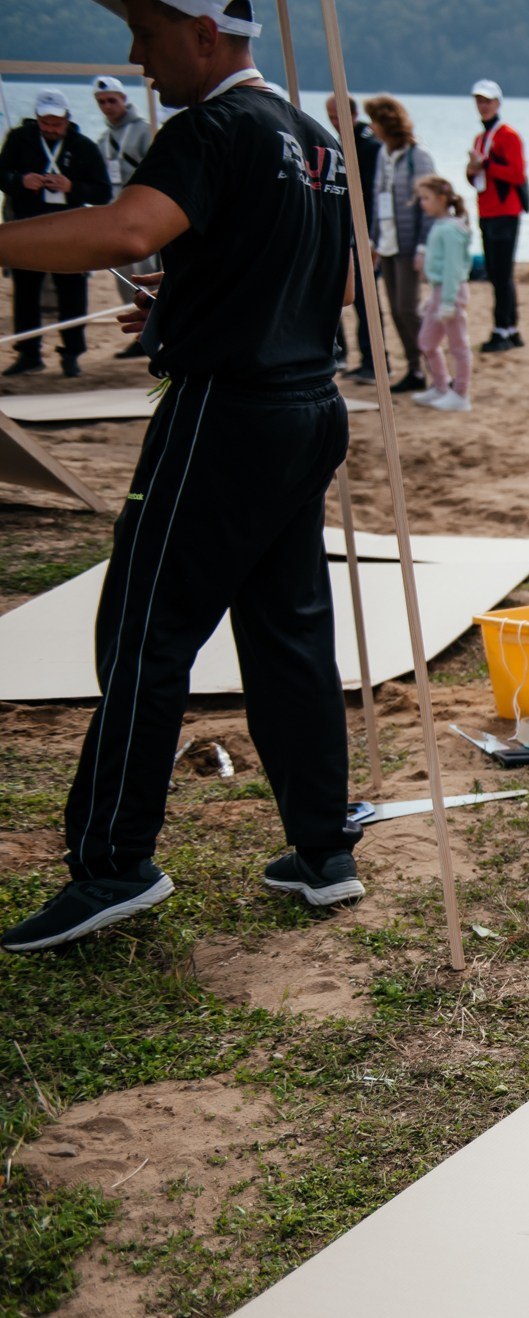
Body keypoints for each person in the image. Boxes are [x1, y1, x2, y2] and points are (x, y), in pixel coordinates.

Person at [0, 0, 367, 954]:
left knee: (143, 633)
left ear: (206, 34)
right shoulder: (314, 136)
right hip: (307, 406)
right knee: (288, 632)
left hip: (226, 415)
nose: (135, 56)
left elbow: (126, 231)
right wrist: (190, 296)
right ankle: (324, 849)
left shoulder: (211, 126)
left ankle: (114, 863)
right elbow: (327, 285)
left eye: (150, 35)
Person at [2, 89, 110, 377]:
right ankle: (28, 353)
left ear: (67, 119)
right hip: (29, 225)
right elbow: (2, 175)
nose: (50, 129)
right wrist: (20, 180)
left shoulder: (84, 146)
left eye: (56, 124)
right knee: (26, 291)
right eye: (45, 123)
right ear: (36, 118)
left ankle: (72, 354)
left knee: (72, 293)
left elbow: (103, 193)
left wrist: (71, 187)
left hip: (70, 228)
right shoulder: (19, 139)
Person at [359, 96, 435, 395]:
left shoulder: (418, 156)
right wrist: (374, 240)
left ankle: (431, 368)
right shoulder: (383, 155)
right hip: (388, 243)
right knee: (394, 308)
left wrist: (422, 247)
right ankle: (414, 368)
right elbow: (379, 200)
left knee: (407, 308)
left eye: (374, 120)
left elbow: (428, 206)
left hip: (408, 244)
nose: (371, 127)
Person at [89, 74, 157, 358]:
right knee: (124, 277)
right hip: (116, 215)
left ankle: (155, 330)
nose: (107, 106)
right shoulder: (104, 140)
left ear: (124, 100)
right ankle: (141, 334)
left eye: (112, 100)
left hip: (143, 215)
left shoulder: (145, 131)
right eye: (102, 102)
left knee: (148, 273)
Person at [464, 78, 526, 352]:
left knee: (501, 274)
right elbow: (478, 177)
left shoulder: (507, 136)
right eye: (479, 101)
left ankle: (503, 328)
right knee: (496, 273)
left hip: (505, 212)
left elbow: (517, 174)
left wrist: (486, 164)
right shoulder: (481, 138)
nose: (483, 106)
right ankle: (509, 328)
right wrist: (471, 170)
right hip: (486, 209)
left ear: (498, 103)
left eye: (487, 101)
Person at [321, 92, 379, 380]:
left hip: (364, 231)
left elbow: (371, 195)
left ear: (352, 114)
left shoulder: (367, 145)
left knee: (365, 299)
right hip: (348, 230)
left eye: (337, 116)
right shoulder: (342, 143)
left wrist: (370, 235)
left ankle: (374, 360)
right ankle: (345, 353)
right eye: (330, 117)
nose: (334, 122)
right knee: (342, 296)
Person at [412, 175, 474, 412]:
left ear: (441, 199)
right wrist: (433, 298)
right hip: (439, 291)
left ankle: (461, 394)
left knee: (458, 345)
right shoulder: (439, 226)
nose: (422, 203)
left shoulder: (451, 230)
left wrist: (448, 301)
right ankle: (440, 387)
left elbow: (453, 269)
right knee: (427, 342)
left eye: (426, 198)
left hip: (452, 292)